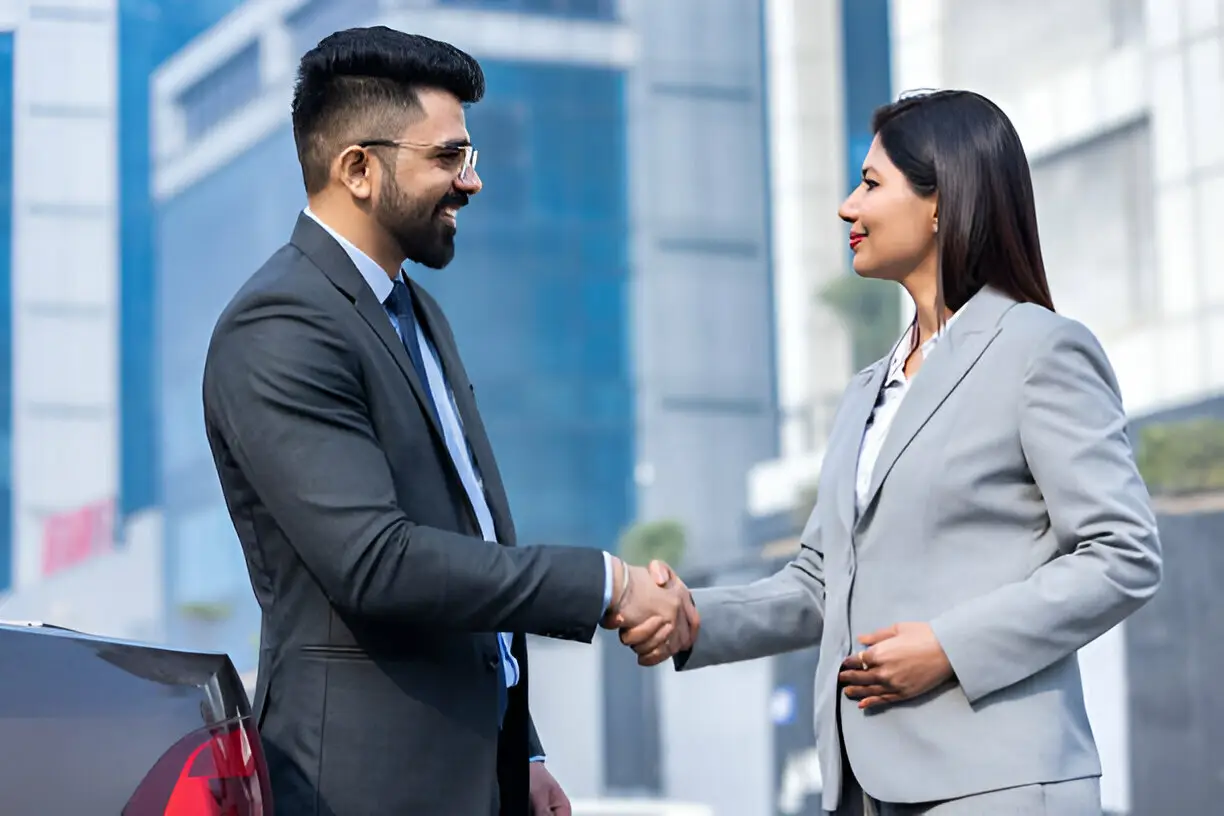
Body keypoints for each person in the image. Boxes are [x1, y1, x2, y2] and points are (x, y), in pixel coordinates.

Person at [202, 27, 696, 816]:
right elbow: (377, 562)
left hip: (482, 779)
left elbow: (468, 549)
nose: (470, 183)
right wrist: (604, 582)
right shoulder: (281, 323)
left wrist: (520, 747)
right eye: (447, 158)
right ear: (358, 169)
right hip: (361, 788)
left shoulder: (417, 313)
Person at [625, 90, 1162, 815]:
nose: (847, 207)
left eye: (871, 184)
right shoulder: (865, 393)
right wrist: (694, 617)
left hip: (997, 786)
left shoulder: (1040, 351)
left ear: (942, 200)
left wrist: (949, 646)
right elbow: (822, 583)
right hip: (862, 790)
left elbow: (1122, 552)